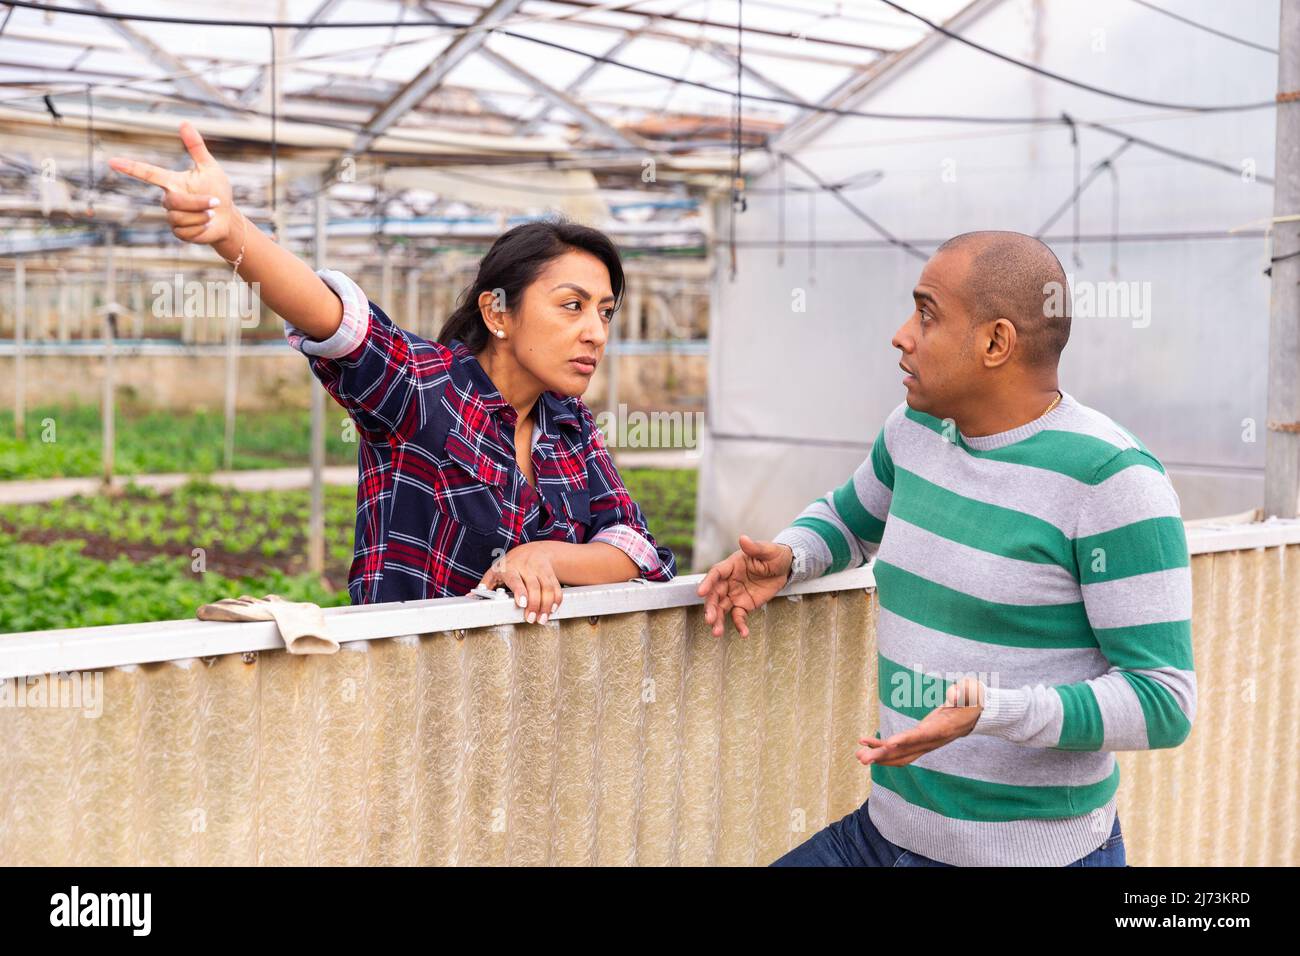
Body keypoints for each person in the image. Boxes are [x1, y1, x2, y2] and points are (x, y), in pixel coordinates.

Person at [698, 230, 1195, 866]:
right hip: (884, 835)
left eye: (927, 313)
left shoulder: (1113, 481)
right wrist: (793, 556)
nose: (901, 334)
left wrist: (995, 711)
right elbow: (850, 521)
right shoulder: (914, 430)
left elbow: (1163, 701)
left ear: (996, 342)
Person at [110, 123, 676, 622]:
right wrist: (231, 230)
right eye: (572, 306)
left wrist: (543, 556)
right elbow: (339, 323)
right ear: (498, 311)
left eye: (605, 312)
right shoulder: (426, 391)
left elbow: (636, 547)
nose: (596, 332)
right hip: (407, 698)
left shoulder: (567, 425)